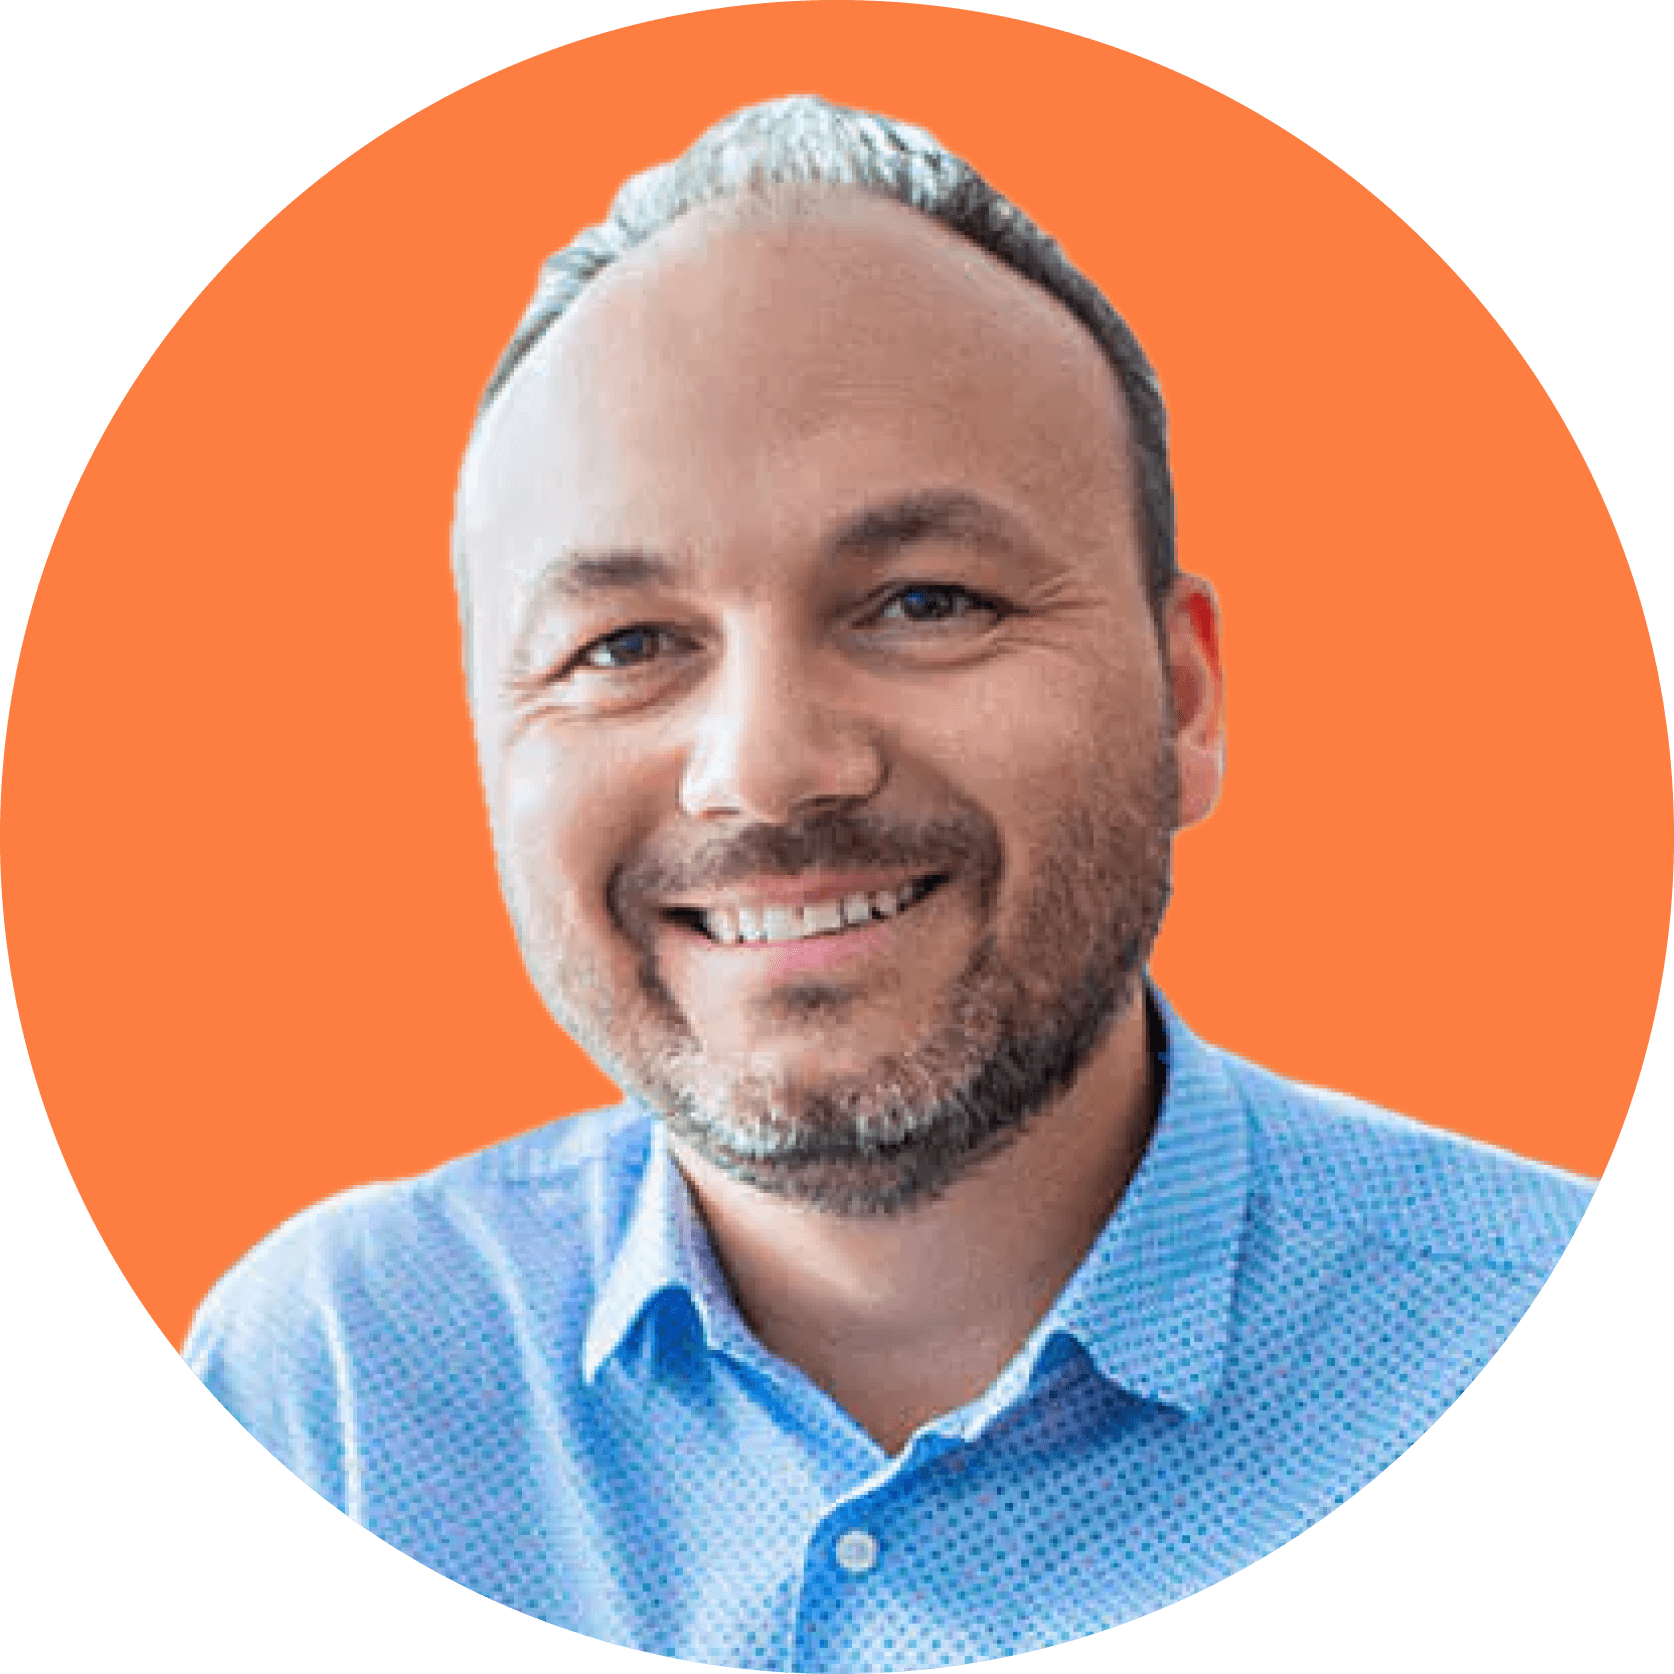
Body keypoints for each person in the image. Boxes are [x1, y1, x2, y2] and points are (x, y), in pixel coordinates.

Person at [186, 97, 1593, 1671]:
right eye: (624, 645)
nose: (767, 766)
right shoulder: (330, 1388)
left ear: (1183, 699)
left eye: (926, 601)